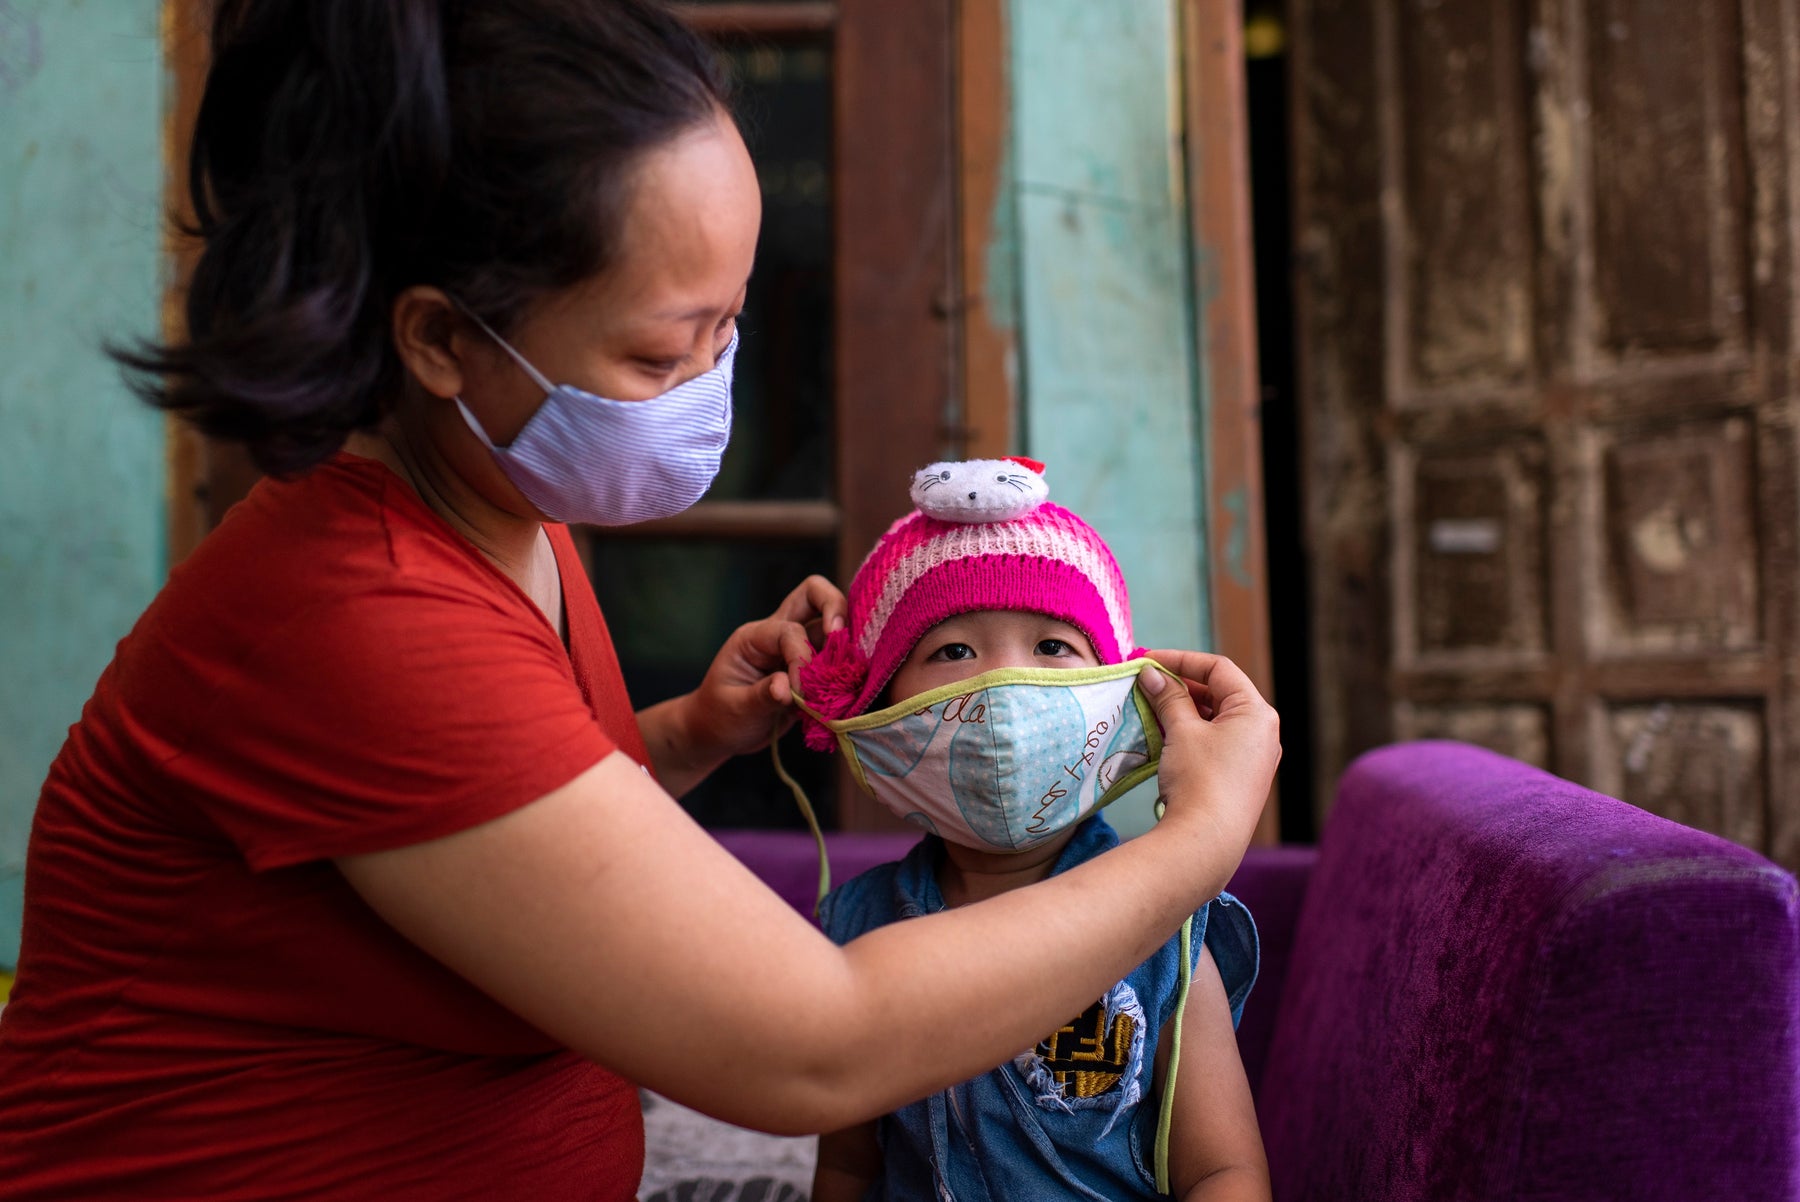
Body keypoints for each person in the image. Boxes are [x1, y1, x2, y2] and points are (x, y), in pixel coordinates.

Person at [0, 2, 1280, 1198]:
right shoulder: (352, 611)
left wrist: (680, 738)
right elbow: (816, 1047)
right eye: (666, 348)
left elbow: (501, 843)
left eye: (731, 325)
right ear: (441, 337)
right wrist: (1198, 845)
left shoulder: (505, 512)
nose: (712, 378)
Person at [796, 458, 1269, 1202]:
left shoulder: (1169, 935)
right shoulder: (855, 926)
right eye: (953, 650)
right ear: (879, 713)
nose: (1007, 686)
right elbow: (850, 1163)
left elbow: (1222, 1172)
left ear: (1119, 699)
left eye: (1053, 647)